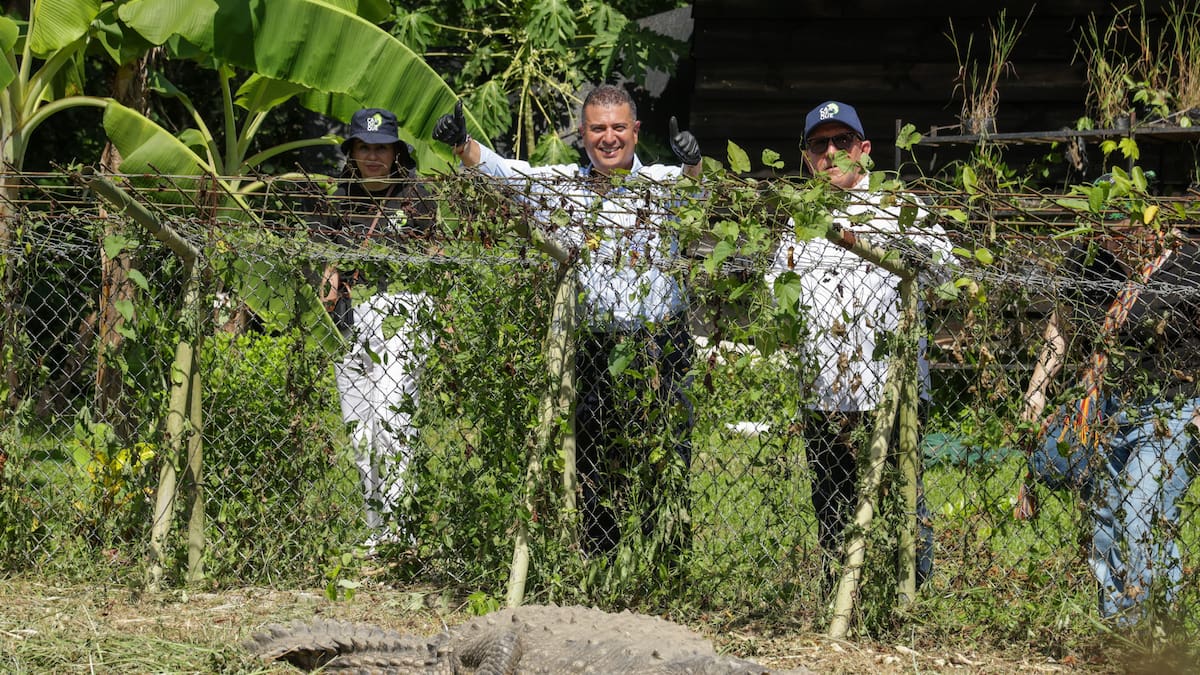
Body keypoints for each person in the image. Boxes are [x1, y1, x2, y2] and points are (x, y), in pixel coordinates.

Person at [432, 85, 702, 556]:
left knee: (667, 456)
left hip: (663, 342)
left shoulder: (662, 182)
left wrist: (694, 159)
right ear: (583, 133)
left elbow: (696, 188)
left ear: (636, 131)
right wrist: (464, 145)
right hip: (595, 345)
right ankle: (601, 566)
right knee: (595, 458)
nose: (609, 138)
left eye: (619, 127)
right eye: (598, 128)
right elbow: (508, 175)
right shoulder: (563, 186)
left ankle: (667, 566)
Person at [765, 101, 953, 593]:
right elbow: (775, 293)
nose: (831, 152)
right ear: (807, 158)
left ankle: (910, 602)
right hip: (824, 390)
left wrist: (909, 258)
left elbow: (947, 273)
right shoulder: (800, 220)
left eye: (841, 141)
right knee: (830, 505)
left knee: (903, 503)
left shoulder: (898, 205)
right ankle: (840, 601)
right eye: (819, 144)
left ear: (864, 150)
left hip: (891, 389)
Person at [1019, 225, 1200, 624]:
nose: (1109, 249)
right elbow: (1062, 320)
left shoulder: (1191, 260)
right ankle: (1120, 623)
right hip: (1113, 409)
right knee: (1104, 513)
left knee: (1140, 511)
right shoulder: (1096, 258)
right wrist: (1037, 389)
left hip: (1174, 411)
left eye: (1115, 238)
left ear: (1144, 225)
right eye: (1103, 240)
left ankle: (1155, 629)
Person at [314, 107, 439, 545]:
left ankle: (402, 532)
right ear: (352, 151)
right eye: (365, 147)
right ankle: (376, 529)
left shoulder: (417, 195)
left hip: (400, 312)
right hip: (348, 318)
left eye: (381, 148)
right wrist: (329, 272)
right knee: (359, 430)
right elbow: (324, 251)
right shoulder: (339, 194)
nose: (372, 156)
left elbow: (434, 258)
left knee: (392, 422)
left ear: (395, 153)